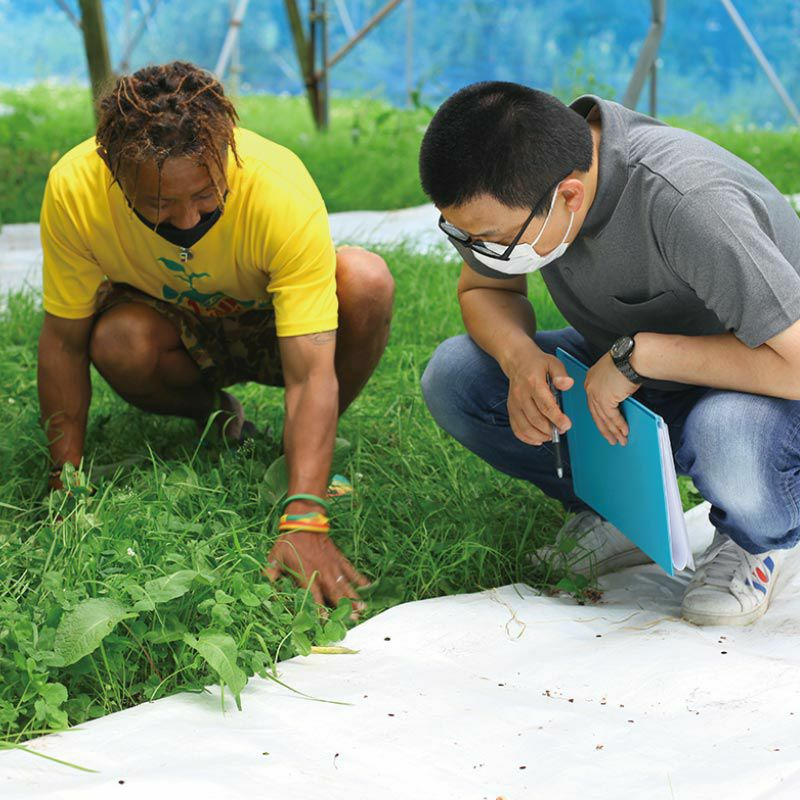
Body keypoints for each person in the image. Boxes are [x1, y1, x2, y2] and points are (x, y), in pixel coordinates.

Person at [418, 81, 800, 626]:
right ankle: (627, 514)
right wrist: (519, 358)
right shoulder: (526, 179)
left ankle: (754, 541)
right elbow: (485, 291)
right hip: (624, 370)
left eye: (493, 238)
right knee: (457, 376)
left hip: (766, 381)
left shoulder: (688, 201)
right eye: (465, 235)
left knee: (728, 439)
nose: (483, 251)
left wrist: (638, 358)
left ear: (569, 197)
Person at [38, 61, 394, 612]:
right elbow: (63, 342)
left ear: (227, 154)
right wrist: (66, 486)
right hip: (173, 329)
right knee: (116, 340)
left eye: (205, 195)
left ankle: (300, 452)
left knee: (366, 282)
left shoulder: (277, 190)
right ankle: (217, 414)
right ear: (112, 170)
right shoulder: (75, 190)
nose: (185, 220)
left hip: (273, 328)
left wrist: (305, 515)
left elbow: (310, 369)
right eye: (158, 205)